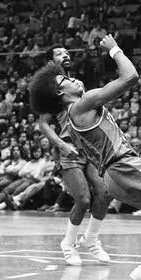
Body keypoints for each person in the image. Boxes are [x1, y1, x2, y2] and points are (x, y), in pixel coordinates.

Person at [28, 33, 141, 280]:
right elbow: (131, 77)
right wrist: (115, 50)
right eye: (65, 80)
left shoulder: (70, 118)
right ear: (61, 93)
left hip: (114, 179)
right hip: (124, 168)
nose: (73, 79)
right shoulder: (82, 104)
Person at [38, 45, 113, 265]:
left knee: (105, 192)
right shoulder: (50, 89)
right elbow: (43, 124)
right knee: (82, 199)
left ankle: (91, 240)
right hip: (69, 150)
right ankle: (68, 243)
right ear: (51, 62)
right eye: (59, 53)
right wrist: (61, 144)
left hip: (88, 148)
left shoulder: (77, 85)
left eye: (67, 52)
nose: (66, 55)